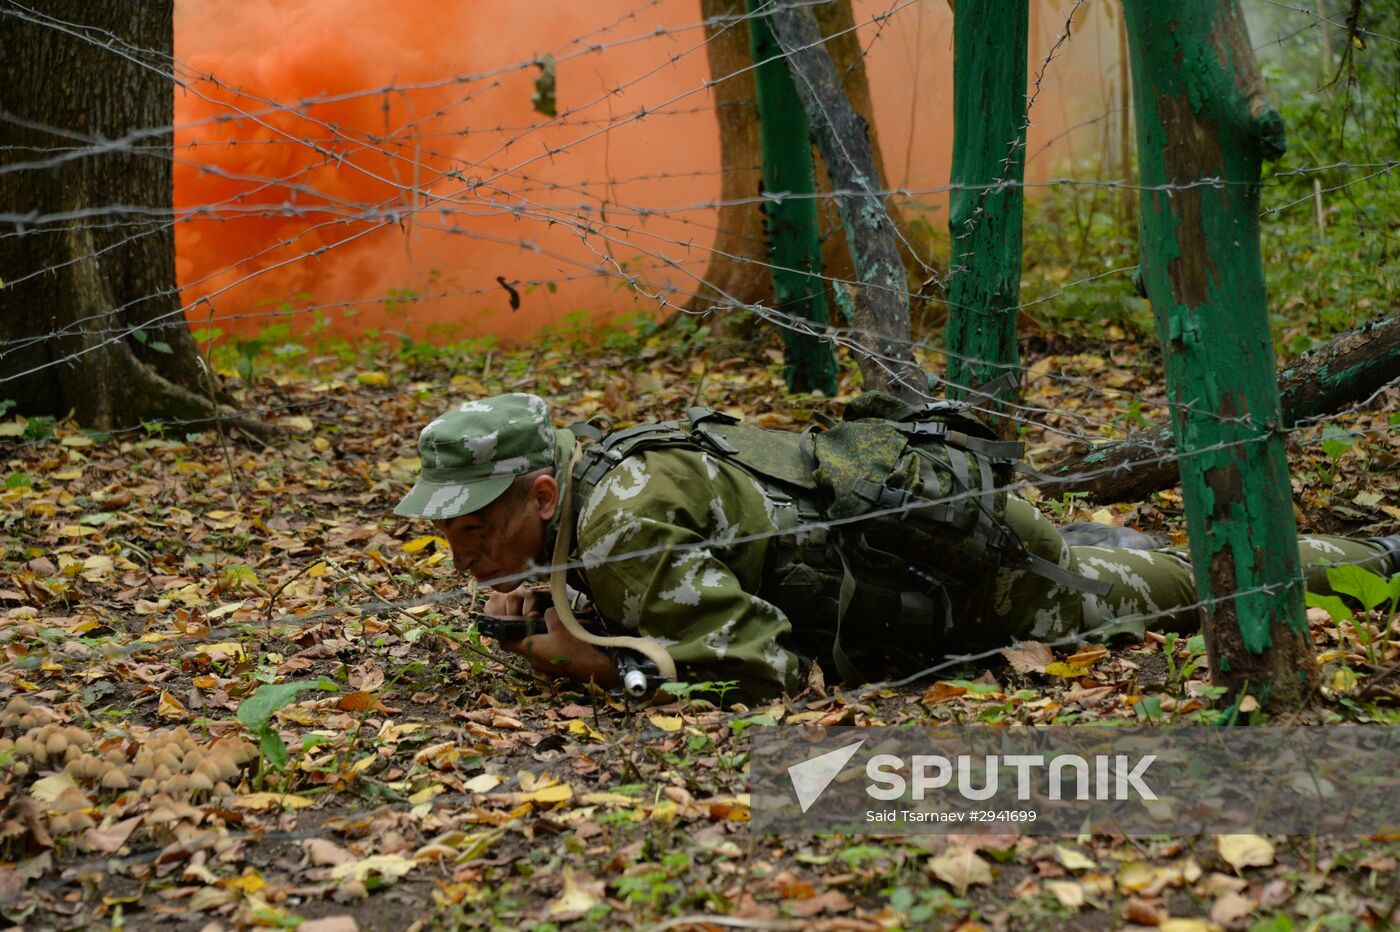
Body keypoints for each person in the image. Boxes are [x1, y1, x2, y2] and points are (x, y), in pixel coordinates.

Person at [395, 393, 1400, 700]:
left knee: (1188, 582)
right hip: (912, 546)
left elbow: (769, 670)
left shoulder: (614, 525)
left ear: (539, 488)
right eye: (448, 535)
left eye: (478, 530)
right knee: (1132, 558)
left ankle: (1382, 555)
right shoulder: (589, 478)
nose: (464, 557)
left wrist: (596, 664)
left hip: (979, 586)